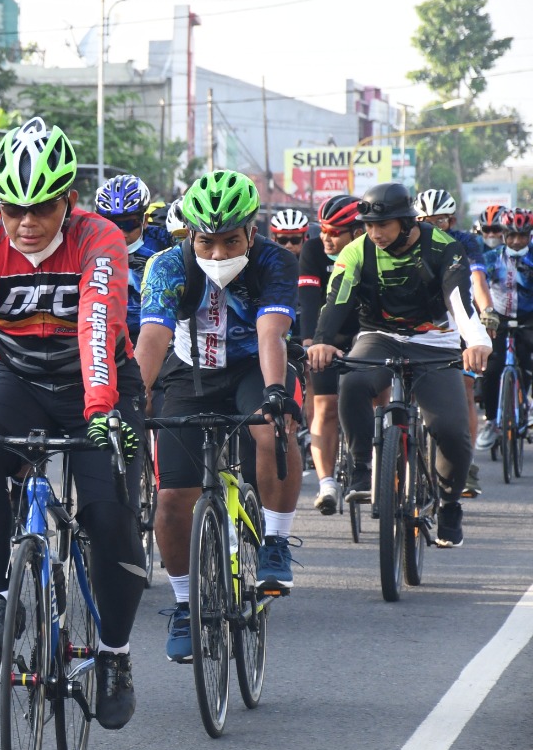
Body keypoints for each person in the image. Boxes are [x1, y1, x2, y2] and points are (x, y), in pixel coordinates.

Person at [0, 116, 146, 729]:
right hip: (21, 380)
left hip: (100, 381)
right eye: (13, 208)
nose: (26, 223)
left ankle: (113, 653)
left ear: (70, 201)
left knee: (109, 516)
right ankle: (1, 597)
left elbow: (96, 325)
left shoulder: (99, 237)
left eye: (43, 207)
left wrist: (103, 411)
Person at [135, 169, 303, 663]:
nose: (218, 254)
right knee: (170, 501)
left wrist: (275, 394)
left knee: (271, 430)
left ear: (251, 232)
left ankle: (273, 538)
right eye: (207, 242)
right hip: (190, 376)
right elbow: (152, 340)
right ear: (190, 234)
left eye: (231, 241)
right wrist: (130, 402)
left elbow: (272, 334)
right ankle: (187, 606)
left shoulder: (274, 261)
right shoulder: (166, 266)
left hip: (253, 367)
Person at [308, 182, 491, 548]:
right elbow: (338, 297)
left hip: (435, 341)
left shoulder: (443, 246)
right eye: (369, 226)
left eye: (383, 225)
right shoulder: (357, 251)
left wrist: (476, 341)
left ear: (406, 222)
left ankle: (450, 503)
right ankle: (362, 469)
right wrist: (324, 339)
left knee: (452, 432)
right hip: (378, 335)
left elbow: (459, 298)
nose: (374, 233)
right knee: (354, 383)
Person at [413, 188, 488, 497]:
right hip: (418, 325)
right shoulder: (407, 242)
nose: (434, 226)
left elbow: (479, 282)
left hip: (458, 321)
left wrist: (488, 312)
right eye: (426, 220)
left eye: (440, 221)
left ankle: (465, 465)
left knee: (465, 391)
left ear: (452, 220)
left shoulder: (466, 243)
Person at [297, 194, 364, 513]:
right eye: (323, 229)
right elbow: (309, 300)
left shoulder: (371, 252)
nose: (325, 237)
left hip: (366, 331)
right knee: (325, 406)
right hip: (325, 334)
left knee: (376, 396)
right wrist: (311, 342)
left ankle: (377, 463)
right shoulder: (312, 250)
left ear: (357, 232)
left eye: (335, 232)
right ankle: (327, 484)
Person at [475, 208, 533, 451]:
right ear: (504, 235)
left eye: (522, 235)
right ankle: (490, 421)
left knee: (528, 364)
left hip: (528, 319)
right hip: (497, 319)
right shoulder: (491, 258)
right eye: (511, 235)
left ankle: (526, 407)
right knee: (492, 369)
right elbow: (477, 287)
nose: (516, 241)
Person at [95, 173, 159, 345]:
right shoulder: (87, 246)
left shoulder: (163, 241)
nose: (120, 233)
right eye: (112, 225)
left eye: (129, 225)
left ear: (144, 221)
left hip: (153, 333)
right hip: (105, 334)